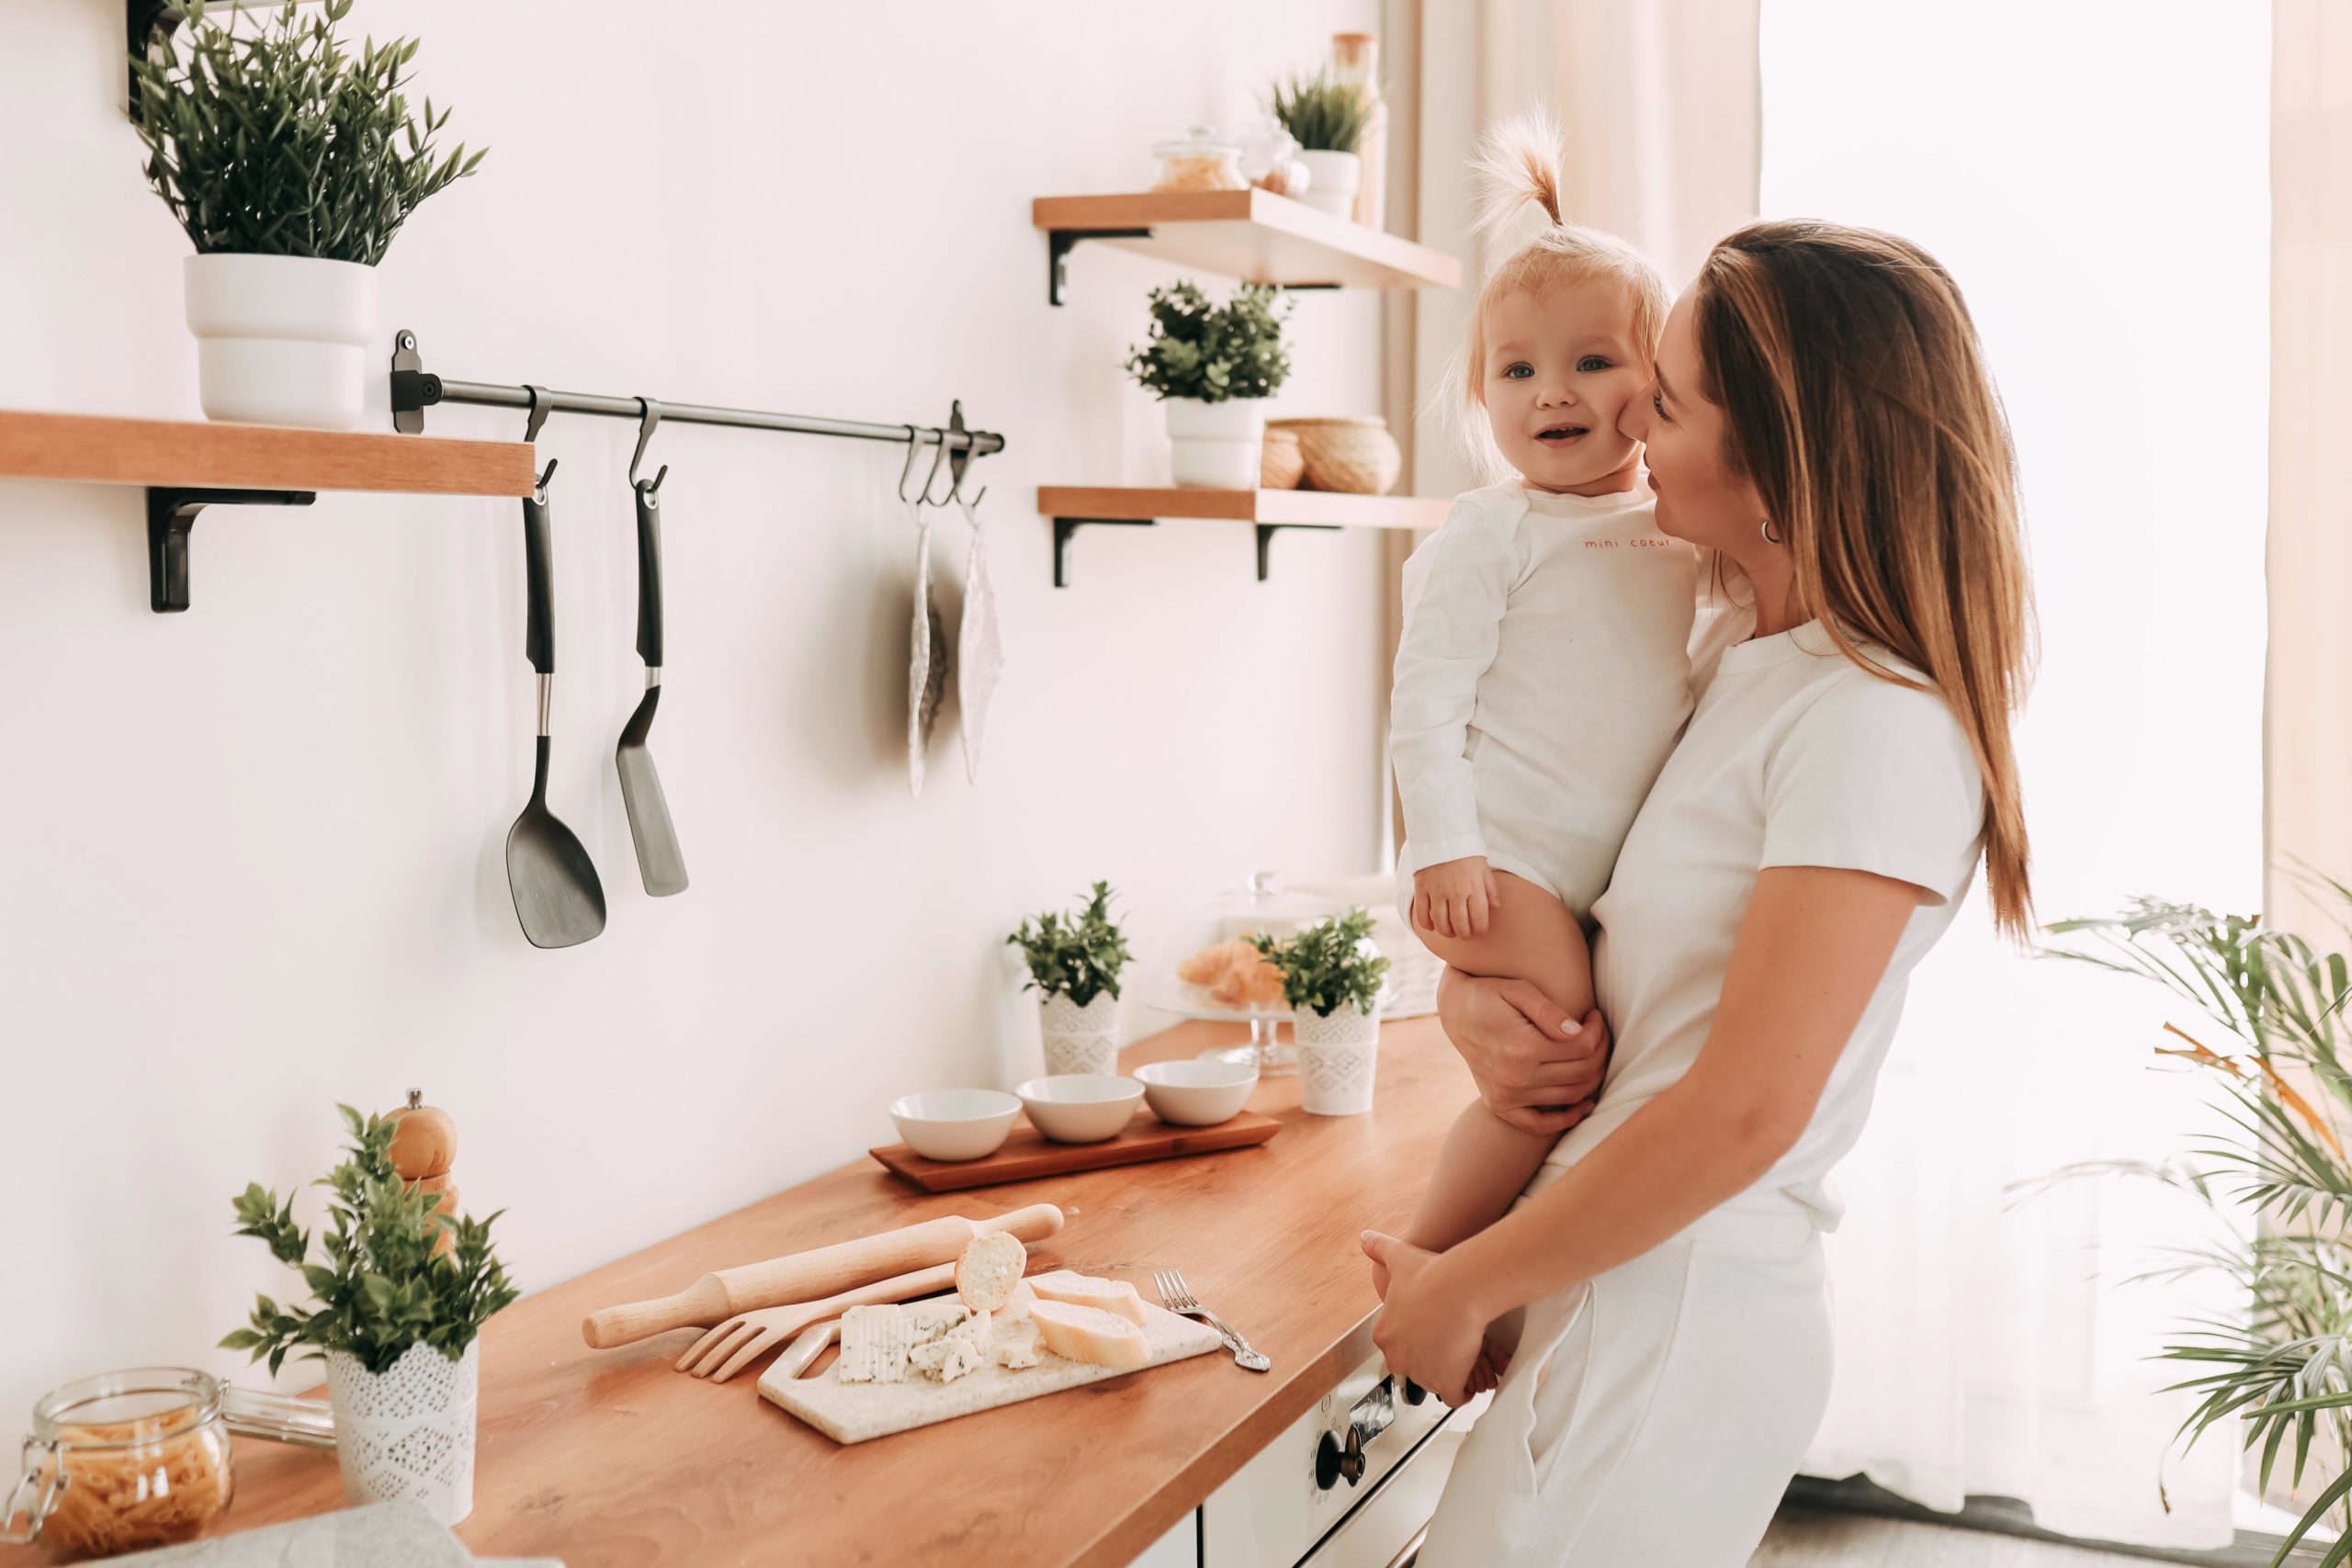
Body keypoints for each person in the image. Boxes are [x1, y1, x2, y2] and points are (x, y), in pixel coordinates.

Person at [1363, 217, 2035, 1565]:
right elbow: (1636, 966)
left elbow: (1740, 1114)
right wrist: (1475, 1000)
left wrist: (1469, 1281)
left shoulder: (1874, 721)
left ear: (1780, 450)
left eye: (1662, 401)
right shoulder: (1744, 659)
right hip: (1609, 1276)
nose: (1624, 427)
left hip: (1670, 1311)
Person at [1386, 118, 1723, 1401]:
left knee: (1569, 1082)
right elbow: (1425, 699)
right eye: (1518, 372)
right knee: (1554, 1076)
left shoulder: (1673, 529)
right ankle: (1430, 1258)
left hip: (1584, 866)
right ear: (1483, 396)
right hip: (1509, 860)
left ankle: (1476, 1275)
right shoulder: (1492, 532)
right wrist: (1445, 850)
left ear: (1658, 386)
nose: (1554, 395)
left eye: (1592, 363)